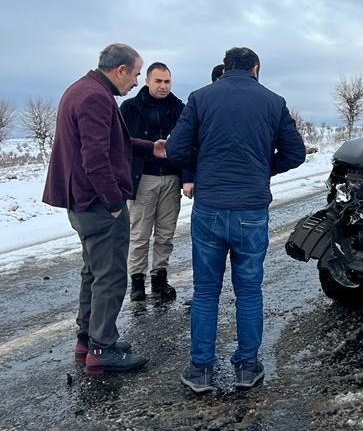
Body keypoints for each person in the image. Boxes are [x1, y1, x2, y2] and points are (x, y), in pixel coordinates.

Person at [165, 47, 305, 393]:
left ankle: (200, 369)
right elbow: (296, 153)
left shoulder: (200, 98)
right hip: (251, 210)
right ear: (255, 69)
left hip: (210, 207)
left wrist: (202, 169)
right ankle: (246, 366)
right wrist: (262, 168)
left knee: (206, 291)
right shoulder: (273, 101)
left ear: (225, 68)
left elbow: (175, 150)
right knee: (248, 291)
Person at [42, 44, 165, 374]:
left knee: (93, 272)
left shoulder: (82, 89)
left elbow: (113, 144)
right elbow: (94, 158)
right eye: (137, 74)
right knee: (109, 276)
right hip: (96, 204)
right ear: (120, 70)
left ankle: (88, 339)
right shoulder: (96, 97)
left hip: (81, 202)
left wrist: (150, 147)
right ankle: (102, 349)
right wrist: (113, 204)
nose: (137, 82)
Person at [120, 61, 190, 302]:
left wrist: (187, 177)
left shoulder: (180, 109)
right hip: (142, 179)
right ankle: (137, 281)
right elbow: (119, 145)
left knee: (165, 234)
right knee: (139, 234)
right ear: (148, 81)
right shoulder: (130, 108)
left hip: (170, 178)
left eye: (167, 81)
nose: (163, 86)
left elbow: (190, 144)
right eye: (158, 81)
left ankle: (159, 278)